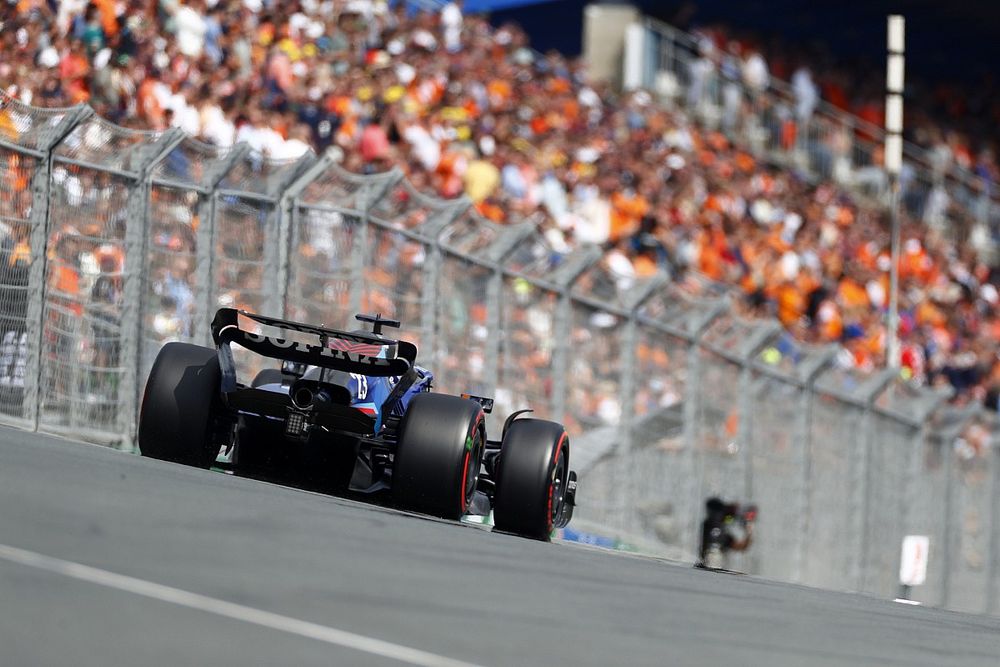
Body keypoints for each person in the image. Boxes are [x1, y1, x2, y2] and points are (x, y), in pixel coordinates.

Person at [697, 496, 757, 570]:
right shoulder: (717, 531)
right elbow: (740, 546)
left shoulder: (716, 526)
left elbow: (741, 546)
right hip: (715, 555)